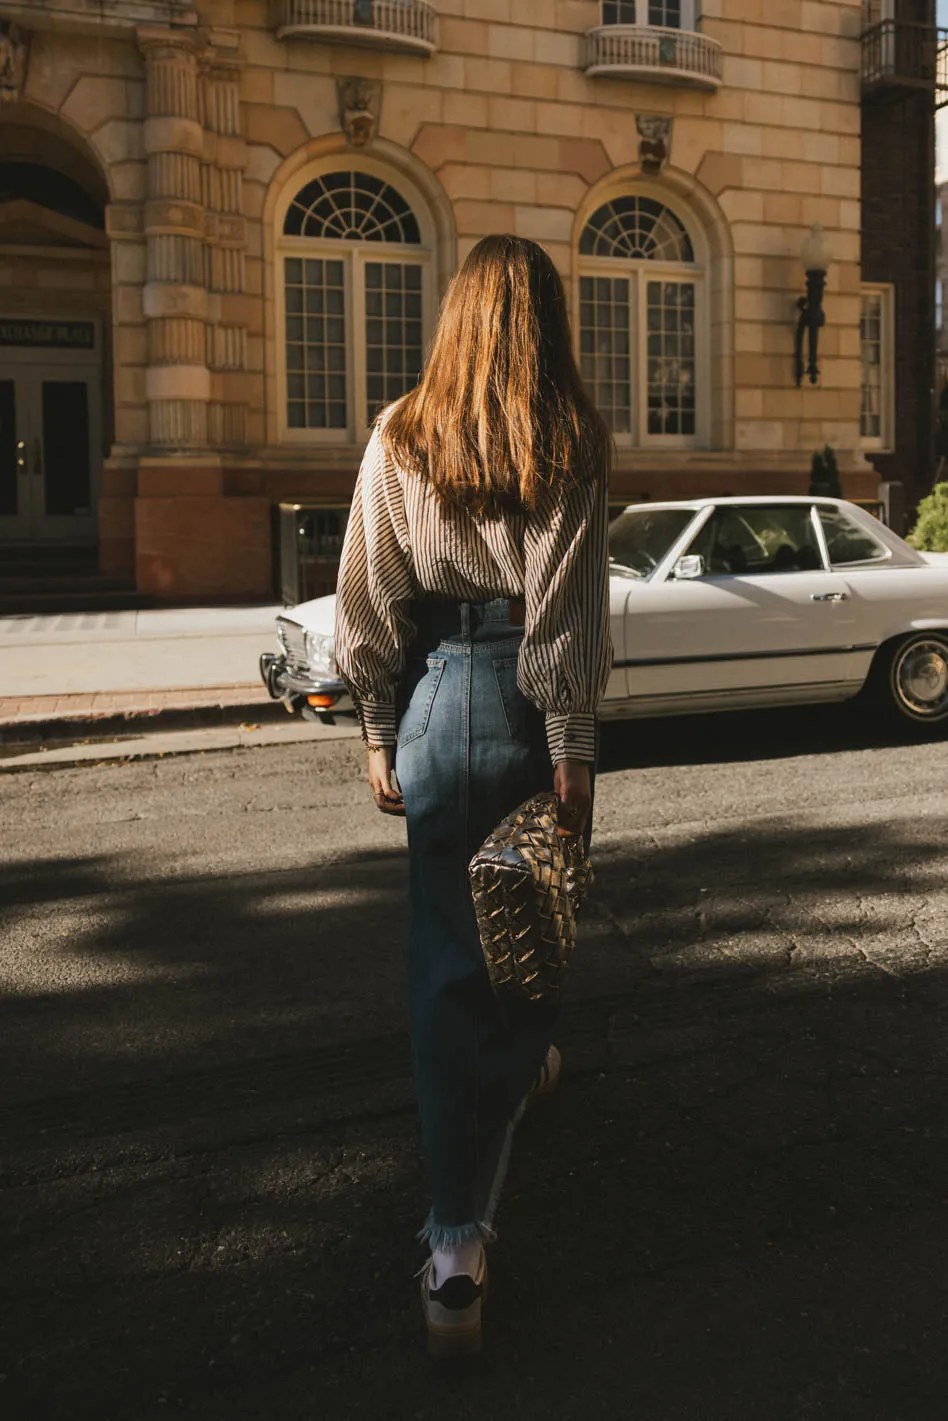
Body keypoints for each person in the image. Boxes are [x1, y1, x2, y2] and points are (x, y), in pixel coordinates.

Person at [334, 233, 612, 1356]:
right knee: (535, 915)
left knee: (448, 954)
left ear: (454, 317)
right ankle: (502, 1121)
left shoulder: (399, 432)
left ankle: (455, 1238)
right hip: (525, 703)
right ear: (542, 320)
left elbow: (367, 591)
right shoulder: (569, 434)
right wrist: (574, 749)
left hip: (436, 693)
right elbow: (566, 614)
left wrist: (374, 727)